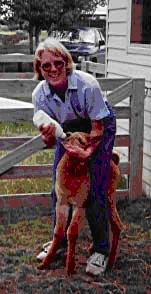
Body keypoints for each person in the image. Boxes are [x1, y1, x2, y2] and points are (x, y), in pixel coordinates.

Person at [32, 37, 116, 276]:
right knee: (58, 187)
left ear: (67, 63)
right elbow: (49, 140)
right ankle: (58, 243)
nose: (53, 69)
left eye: (57, 62)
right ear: (39, 69)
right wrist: (48, 136)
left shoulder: (86, 84)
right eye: (45, 66)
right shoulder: (40, 96)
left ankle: (100, 249)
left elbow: (97, 128)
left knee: (96, 187)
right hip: (68, 130)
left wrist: (88, 153)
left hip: (99, 124)